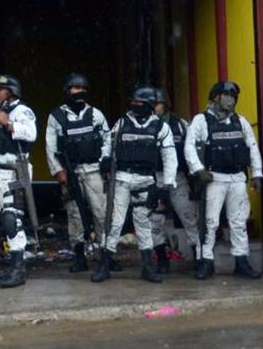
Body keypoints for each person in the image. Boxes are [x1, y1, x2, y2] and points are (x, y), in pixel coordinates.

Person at [92, 85, 176, 284]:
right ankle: (104, 265)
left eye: (139, 102)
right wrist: (104, 158)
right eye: (133, 102)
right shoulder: (122, 122)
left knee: (143, 224)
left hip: (145, 181)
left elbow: (169, 156)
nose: (135, 105)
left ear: (149, 104)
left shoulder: (160, 127)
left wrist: (167, 184)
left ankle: (148, 267)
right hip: (121, 179)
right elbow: (108, 143)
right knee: (114, 223)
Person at [184, 80, 263, 280]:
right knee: (209, 222)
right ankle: (206, 262)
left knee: (239, 222)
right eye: (226, 95)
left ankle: (241, 261)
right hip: (214, 178)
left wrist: (257, 174)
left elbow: (252, 148)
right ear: (215, 97)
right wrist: (199, 170)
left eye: (233, 96)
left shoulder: (240, 121)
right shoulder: (201, 120)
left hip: (237, 178)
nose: (230, 100)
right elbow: (189, 146)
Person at [45, 73, 111, 273]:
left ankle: (105, 256)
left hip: (94, 171)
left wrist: (106, 162)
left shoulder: (95, 114)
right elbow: (50, 146)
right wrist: (58, 171)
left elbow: (107, 140)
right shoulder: (57, 116)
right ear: (67, 91)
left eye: (83, 89)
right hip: (71, 172)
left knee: (101, 213)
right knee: (75, 215)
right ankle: (79, 256)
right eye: (76, 88)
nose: (80, 92)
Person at [0, 74, 38, 289]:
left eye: (1, 89)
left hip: (16, 171)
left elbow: (31, 134)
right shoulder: (0, 113)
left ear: (12, 91)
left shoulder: (21, 110)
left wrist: (10, 124)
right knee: (5, 216)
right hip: (0, 172)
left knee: (12, 217)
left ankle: (18, 268)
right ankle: (14, 263)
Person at [149, 87, 200, 273]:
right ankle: (162, 259)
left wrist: (195, 175)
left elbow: (192, 149)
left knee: (190, 217)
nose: (154, 107)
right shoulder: (144, 125)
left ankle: (199, 258)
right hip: (154, 177)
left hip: (178, 178)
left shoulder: (180, 124)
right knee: (154, 220)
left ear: (165, 104)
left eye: (157, 103)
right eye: (151, 104)